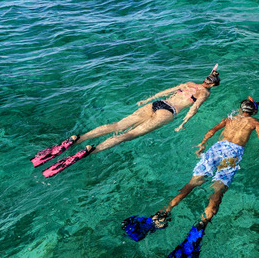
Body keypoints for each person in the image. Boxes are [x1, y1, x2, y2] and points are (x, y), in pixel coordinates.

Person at [31, 66, 221, 177]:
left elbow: (166, 91)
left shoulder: (189, 83)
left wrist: (147, 99)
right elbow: (194, 108)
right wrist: (182, 123)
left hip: (159, 103)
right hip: (169, 111)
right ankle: (92, 150)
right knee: (127, 135)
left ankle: (79, 138)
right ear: (213, 85)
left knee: (117, 126)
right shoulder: (203, 92)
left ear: (205, 78)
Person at [152, 97, 259, 230]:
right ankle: (202, 224)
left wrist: (202, 144)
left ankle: (164, 211)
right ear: (254, 111)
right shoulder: (255, 122)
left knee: (192, 183)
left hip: (216, 148)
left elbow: (211, 131)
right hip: (233, 153)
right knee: (218, 190)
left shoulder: (229, 119)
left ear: (240, 109)